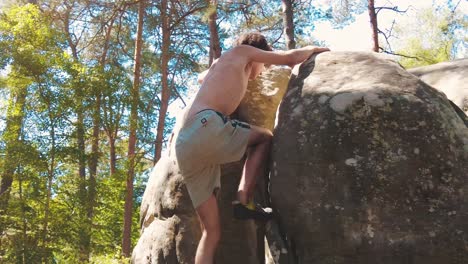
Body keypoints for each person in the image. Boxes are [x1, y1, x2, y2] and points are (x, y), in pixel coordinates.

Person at [170, 32, 329, 264]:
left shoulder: (224, 61)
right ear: (257, 53)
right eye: (263, 63)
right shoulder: (242, 52)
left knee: (211, 233)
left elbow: (201, 77)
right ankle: (243, 200)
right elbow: (289, 57)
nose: (262, 69)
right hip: (206, 126)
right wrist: (316, 49)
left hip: (185, 146)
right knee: (264, 137)